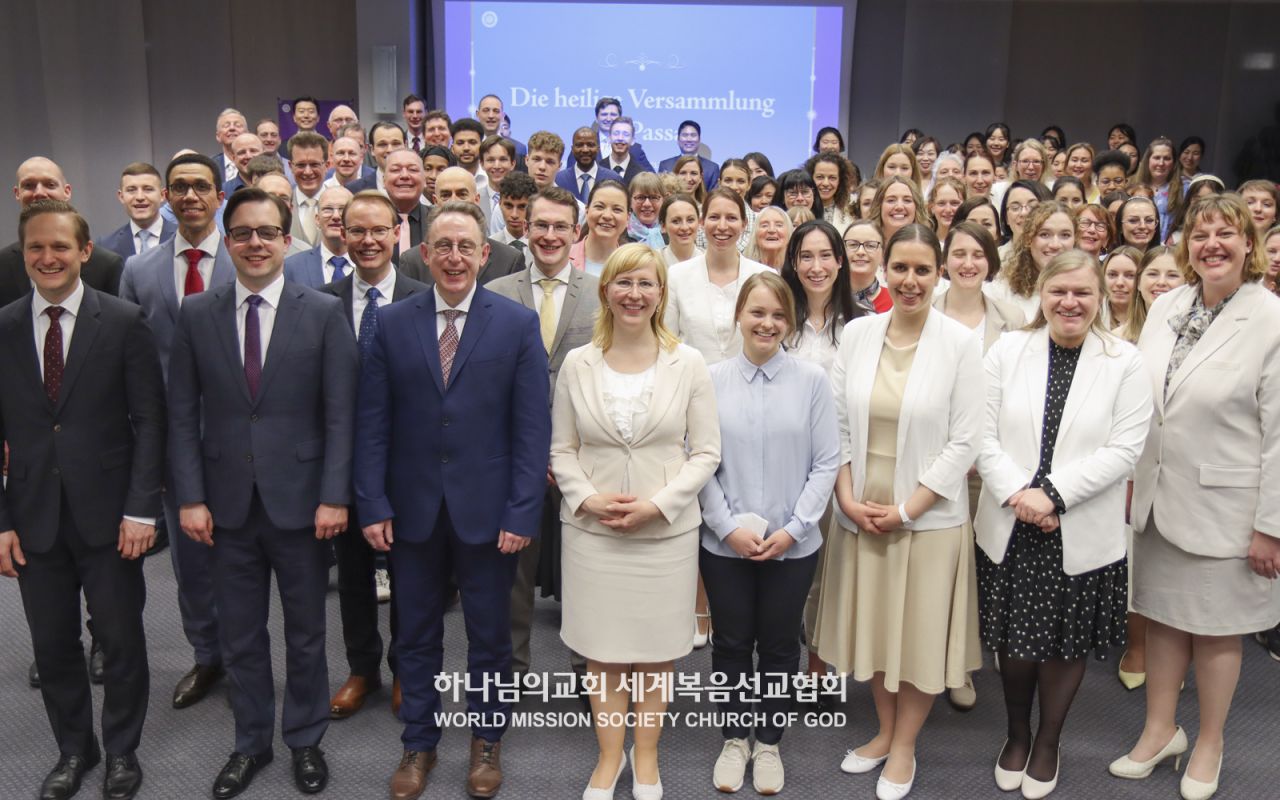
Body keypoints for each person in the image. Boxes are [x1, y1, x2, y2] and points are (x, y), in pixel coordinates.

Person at [354, 200, 550, 800]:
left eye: (467, 246)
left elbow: (530, 429)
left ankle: (487, 740)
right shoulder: (391, 323)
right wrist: (372, 503)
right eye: (443, 246)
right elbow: (372, 423)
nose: (455, 257)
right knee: (414, 635)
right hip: (410, 513)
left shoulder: (516, 325)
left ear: (484, 254)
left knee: (490, 637)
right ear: (424, 253)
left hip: (490, 516)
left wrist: (522, 511)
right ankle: (419, 742)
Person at [168, 188, 358, 798]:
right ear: (228, 241)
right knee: (241, 635)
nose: (255, 244)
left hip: (303, 503)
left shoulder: (324, 311)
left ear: (286, 240)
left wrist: (335, 495)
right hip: (224, 507)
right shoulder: (197, 313)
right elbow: (180, 415)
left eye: (267, 233)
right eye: (243, 233)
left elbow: (340, 415)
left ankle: (304, 741)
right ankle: (250, 743)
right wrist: (190, 497)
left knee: (305, 631)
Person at [1116, 193, 1280, 800]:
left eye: (1225, 234)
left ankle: (1209, 741)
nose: (1211, 244)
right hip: (1157, 497)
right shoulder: (1167, 306)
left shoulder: (1270, 318)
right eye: (1199, 233)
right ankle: (1160, 730)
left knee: (1215, 629)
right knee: (1161, 618)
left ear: (1248, 244)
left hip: (1229, 507)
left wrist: (1272, 526)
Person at [0, 199, 165, 800]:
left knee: (120, 641)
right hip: (32, 519)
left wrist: (142, 508)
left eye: (60, 247)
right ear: (24, 255)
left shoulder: (122, 321)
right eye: (36, 248)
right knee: (52, 646)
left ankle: (122, 750)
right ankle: (75, 749)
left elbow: (151, 419)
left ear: (84, 252)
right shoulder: (5, 325)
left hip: (112, 516)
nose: (48, 257)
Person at [814, 223, 983, 800]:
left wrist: (908, 510)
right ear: (884, 270)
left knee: (916, 637)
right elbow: (834, 426)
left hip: (927, 516)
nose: (910, 281)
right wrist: (844, 497)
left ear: (939, 276)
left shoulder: (961, 344)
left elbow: (966, 442)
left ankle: (906, 744)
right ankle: (884, 731)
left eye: (923, 270)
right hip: (861, 508)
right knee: (880, 632)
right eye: (901, 268)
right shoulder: (858, 334)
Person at [977, 249, 1151, 798]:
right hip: (1011, 521)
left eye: (1082, 292)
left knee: (1063, 644)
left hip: (1080, 526)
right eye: (1059, 291)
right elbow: (980, 435)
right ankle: (1016, 734)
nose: (1070, 302)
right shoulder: (1008, 349)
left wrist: (1051, 495)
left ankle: (1049, 741)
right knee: (1016, 642)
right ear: (1042, 295)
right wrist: (1020, 495)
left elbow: (1125, 450)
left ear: (1101, 297)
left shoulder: (1125, 361)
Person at [550, 243, 720, 800]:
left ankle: (645, 758)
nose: (634, 294)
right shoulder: (579, 363)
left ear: (661, 294)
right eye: (624, 283)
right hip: (593, 534)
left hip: (663, 535)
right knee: (602, 651)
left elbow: (706, 453)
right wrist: (587, 498)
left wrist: (659, 504)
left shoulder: (688, 362)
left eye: (646, 284)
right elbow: (561, 450)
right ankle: (608, 758)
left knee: (654, 652)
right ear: (606, 291)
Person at [700, 271, 839, 795]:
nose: (767, 323)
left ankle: (770, 741)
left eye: (779, 315)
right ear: (739, 315)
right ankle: (735, 738)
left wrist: (796, 528)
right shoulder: (709, 379)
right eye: (757, 312)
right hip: (724, 542)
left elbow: (826, 463)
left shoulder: (811, 382)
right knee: (732, 643)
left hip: (793, 543)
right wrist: (727, 527)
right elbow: (699, 460)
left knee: (780, 646)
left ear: (791, 321)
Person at [119, 153, 237, 711]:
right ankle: (206, 654)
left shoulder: (250, 261)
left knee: (242, 556)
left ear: (219, 195)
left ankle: (244, 656)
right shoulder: (140, 271)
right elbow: (127, 358)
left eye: (201, 187)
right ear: (167, 196)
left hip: (241, 439)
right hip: (174, 440)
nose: (190, 196)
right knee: (190, 563)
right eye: (180, 187)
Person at [319, 191, 430, 722]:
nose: (367, 241)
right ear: (342, 233)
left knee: (410, 574)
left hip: (409, 463)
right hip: (342, 463)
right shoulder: (319, 302)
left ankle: (407, 669)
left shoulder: (426, 298)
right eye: (356, 231)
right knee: (354, 575)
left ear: (396, 234)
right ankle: (362, 669)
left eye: (378, 231)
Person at [487, 185, 599, 695]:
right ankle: (512, 668)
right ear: (524, 229)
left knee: (583, 562)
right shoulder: (495, 294)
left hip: (584, 455)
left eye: (560, 226)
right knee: (512, 566)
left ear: (576, 233)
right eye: (540, 225)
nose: (549, 235)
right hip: (514, 455)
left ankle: (586, 665)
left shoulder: (603, 294)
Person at [665, 188, 771, 365]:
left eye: (731, 218)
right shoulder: (677, 275)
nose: (722, 226)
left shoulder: (763, 276)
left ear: (744, 224)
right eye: (714, 217)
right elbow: (669, 341)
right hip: (692, 384)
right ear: (702, 222)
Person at [1, 157, 124, 307]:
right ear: (17, 193)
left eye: (50, 185)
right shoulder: (3, 264)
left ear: (67, 191)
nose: (39, 192)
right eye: (29, 185)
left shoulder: (107, 266)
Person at [398, 167, 525, 287]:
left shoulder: (509, 260)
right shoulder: (412, 262)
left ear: (476, 200)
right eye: (446, 195)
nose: (454, 201)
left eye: (462, 194)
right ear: (435, 202)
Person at [988, 201, 1076, 319]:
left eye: (1065, 235)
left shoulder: (1088, 290)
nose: (1055, 245)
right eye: (1045, 234)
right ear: (1029, 239)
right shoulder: (1001, 291)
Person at [99, 163, 177, 259]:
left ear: (163, 195)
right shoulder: (105, 247)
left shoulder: (183, 238)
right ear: (121, 196)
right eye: (131, 190)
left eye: (148, 189)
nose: (140, 197)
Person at [284, 185, 355, 288]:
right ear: (317, 220)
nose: (335, 216)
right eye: (328, 209)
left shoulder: (370, 263)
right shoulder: (292, 267)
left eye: (342, 209)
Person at [1118, 245, 1183, 343]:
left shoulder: (1193, 337)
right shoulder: (1115, 339)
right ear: (1138, 282)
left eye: (1172, 275)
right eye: (1153, 274)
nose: (1161, 282)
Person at [570, 180, 629, 276]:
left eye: (617, 209)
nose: (607, 216)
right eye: (599, 207)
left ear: (628, 217)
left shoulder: (635, 266)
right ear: (587, 210)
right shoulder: (563, 258)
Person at [1134, 137, 1187, 241]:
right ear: (1148, 160)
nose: (1161, 163)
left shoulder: (1185, 189)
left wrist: (1176, 237)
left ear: (1173, 163)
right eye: (1157, 157)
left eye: (1167, 158)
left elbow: (1191, 222)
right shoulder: (1133, 186)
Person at [556, 127, 623, 204]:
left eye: (590, 145)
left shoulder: (614, 180)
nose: (585, 150)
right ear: (572, 149)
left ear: (598, 148)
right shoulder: (558, 180)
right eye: (579, 145)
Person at [287, 132, 330, 248]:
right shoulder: (281, 204)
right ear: (291, 166)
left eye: (314, 164)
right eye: (301, 165)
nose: (308, 172)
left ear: (327, 166)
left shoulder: (344, 204)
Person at [843, 219, 891, 313]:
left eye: (870, 246)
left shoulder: (895, 302)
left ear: (883, 254)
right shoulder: (827, 298)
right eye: (853, 244)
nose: (861, 252)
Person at [658, 120, 720, 188]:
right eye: (685, 135)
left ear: (699, 140)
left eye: (693, 135)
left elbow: (714, 196)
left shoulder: (712, 168)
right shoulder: (666, 165)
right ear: (678, 140)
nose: (689, 139)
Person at [869, 177, 929, 244]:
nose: (899, 207)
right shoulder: (863, 244)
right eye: (891, 200)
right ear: (879, 206)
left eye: (907, 200)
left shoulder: (928, 246)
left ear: (917, 207)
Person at [808, 152, 855, 231]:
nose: (826, 183)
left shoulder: (852, 209)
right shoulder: (801, 208)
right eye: (820, 177)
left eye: (832, 178)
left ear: (840, 180)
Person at [600, 116, 654, 185]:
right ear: (609, 138)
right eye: (616, 133)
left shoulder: (641, 173)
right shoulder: (598, 169)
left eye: (626, 134)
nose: (620, 138)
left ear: (633, 140)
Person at [742, 205, 792, 270]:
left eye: (779, 225)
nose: (771, 230)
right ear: (755, 233)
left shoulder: (797, 269)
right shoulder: (743, 267)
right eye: (764, 225)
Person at [625, 172, 668, 249]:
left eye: (654, 197)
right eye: (640, 197)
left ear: (663, 200)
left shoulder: (672, 233)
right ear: (630, 201)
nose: (647, 204)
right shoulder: (620, 234)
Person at [658, 193, 701, 266]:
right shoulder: (654, 262)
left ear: (699, 222)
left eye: (690, 220)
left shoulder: (710, 261)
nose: (684, 227)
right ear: (663, 226)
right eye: (676, 221)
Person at [1103, 244, 1140, 327]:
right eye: (1112, 275)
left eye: (1130, 276)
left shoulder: (1154, 321)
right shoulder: (1090, 318)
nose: (1120, 283)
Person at [927, 177, 965, 243]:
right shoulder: (924, 242)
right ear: (932, 207)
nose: (948, 210)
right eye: (941, 203)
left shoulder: (972, 241)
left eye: (954, 203)